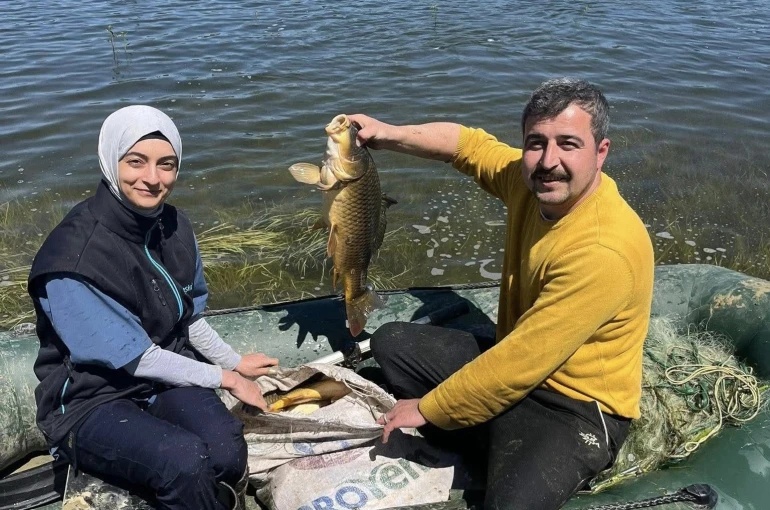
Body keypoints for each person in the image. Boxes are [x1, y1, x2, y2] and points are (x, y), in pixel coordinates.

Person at [349, 78, 654, 510]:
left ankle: (495, 437)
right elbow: (468, 146)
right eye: (536, 143)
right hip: (517, 358)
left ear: (600, 152)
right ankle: (489, 431)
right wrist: (389, 133)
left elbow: (519, 363)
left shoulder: (604, 250)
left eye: (569, 144)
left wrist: (430, 409)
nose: (549, 161)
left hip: (576, 406)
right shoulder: (527, 181)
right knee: (390, 343)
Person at [28, 105, 278, 510]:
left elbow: (187, 317)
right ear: (111, 160)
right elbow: (138, 359)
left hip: (160, 380)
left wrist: (234, 361)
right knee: (181, 460)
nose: (152, 178)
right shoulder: (73, 259)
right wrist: (227, 379)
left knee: (226, 449)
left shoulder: (174, 226)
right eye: (136, 162)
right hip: (91, 400)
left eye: (167, 165)